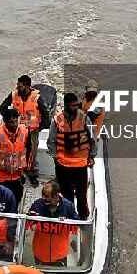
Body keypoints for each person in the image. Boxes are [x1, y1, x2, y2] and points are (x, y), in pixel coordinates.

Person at [0, 75, 50, 186]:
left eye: (20, 86)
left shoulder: (37, 98)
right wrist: (9, 120)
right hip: (18, 131)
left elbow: (46, 116)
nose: (17, 87)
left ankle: (32, 174)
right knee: (18, 152)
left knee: (32, 154)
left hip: (32, 132)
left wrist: (38, 127)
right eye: (17, 85)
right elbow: (3, 107)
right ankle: (20, 174)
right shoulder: (14, 95)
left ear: (27, 86)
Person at [52, 92, 94, 220]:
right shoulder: (57, 120)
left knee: (81, 195)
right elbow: (51, 142)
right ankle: (69, 217)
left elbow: (92, 138)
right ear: (65, 106)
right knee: (66, 194)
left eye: (76, 105)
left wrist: (91, 156)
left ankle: (83, 217)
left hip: (80, 164)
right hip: (63, 165)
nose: (75, 108)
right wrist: (56, 158)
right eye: (71, 106)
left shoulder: (84, 118)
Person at [25, 180, 80, 266]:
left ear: (56, 196)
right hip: (40, 254)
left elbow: (76, 223)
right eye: (43, 195)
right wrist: (34, 224)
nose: (44, 198)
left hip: (60, 255)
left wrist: (63, 225)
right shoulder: (37, 204)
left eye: (47, 196)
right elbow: (29, 221)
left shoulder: (68, 206)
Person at [0, 108, 29, 206]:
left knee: (16, 199)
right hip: (1, 177)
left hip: (18, 176)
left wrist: (27, 170)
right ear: (5, 122)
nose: (14, 124)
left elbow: (29, 151)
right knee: (2, 201)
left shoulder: (25, 133)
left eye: (15, 121)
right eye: (10, 122)